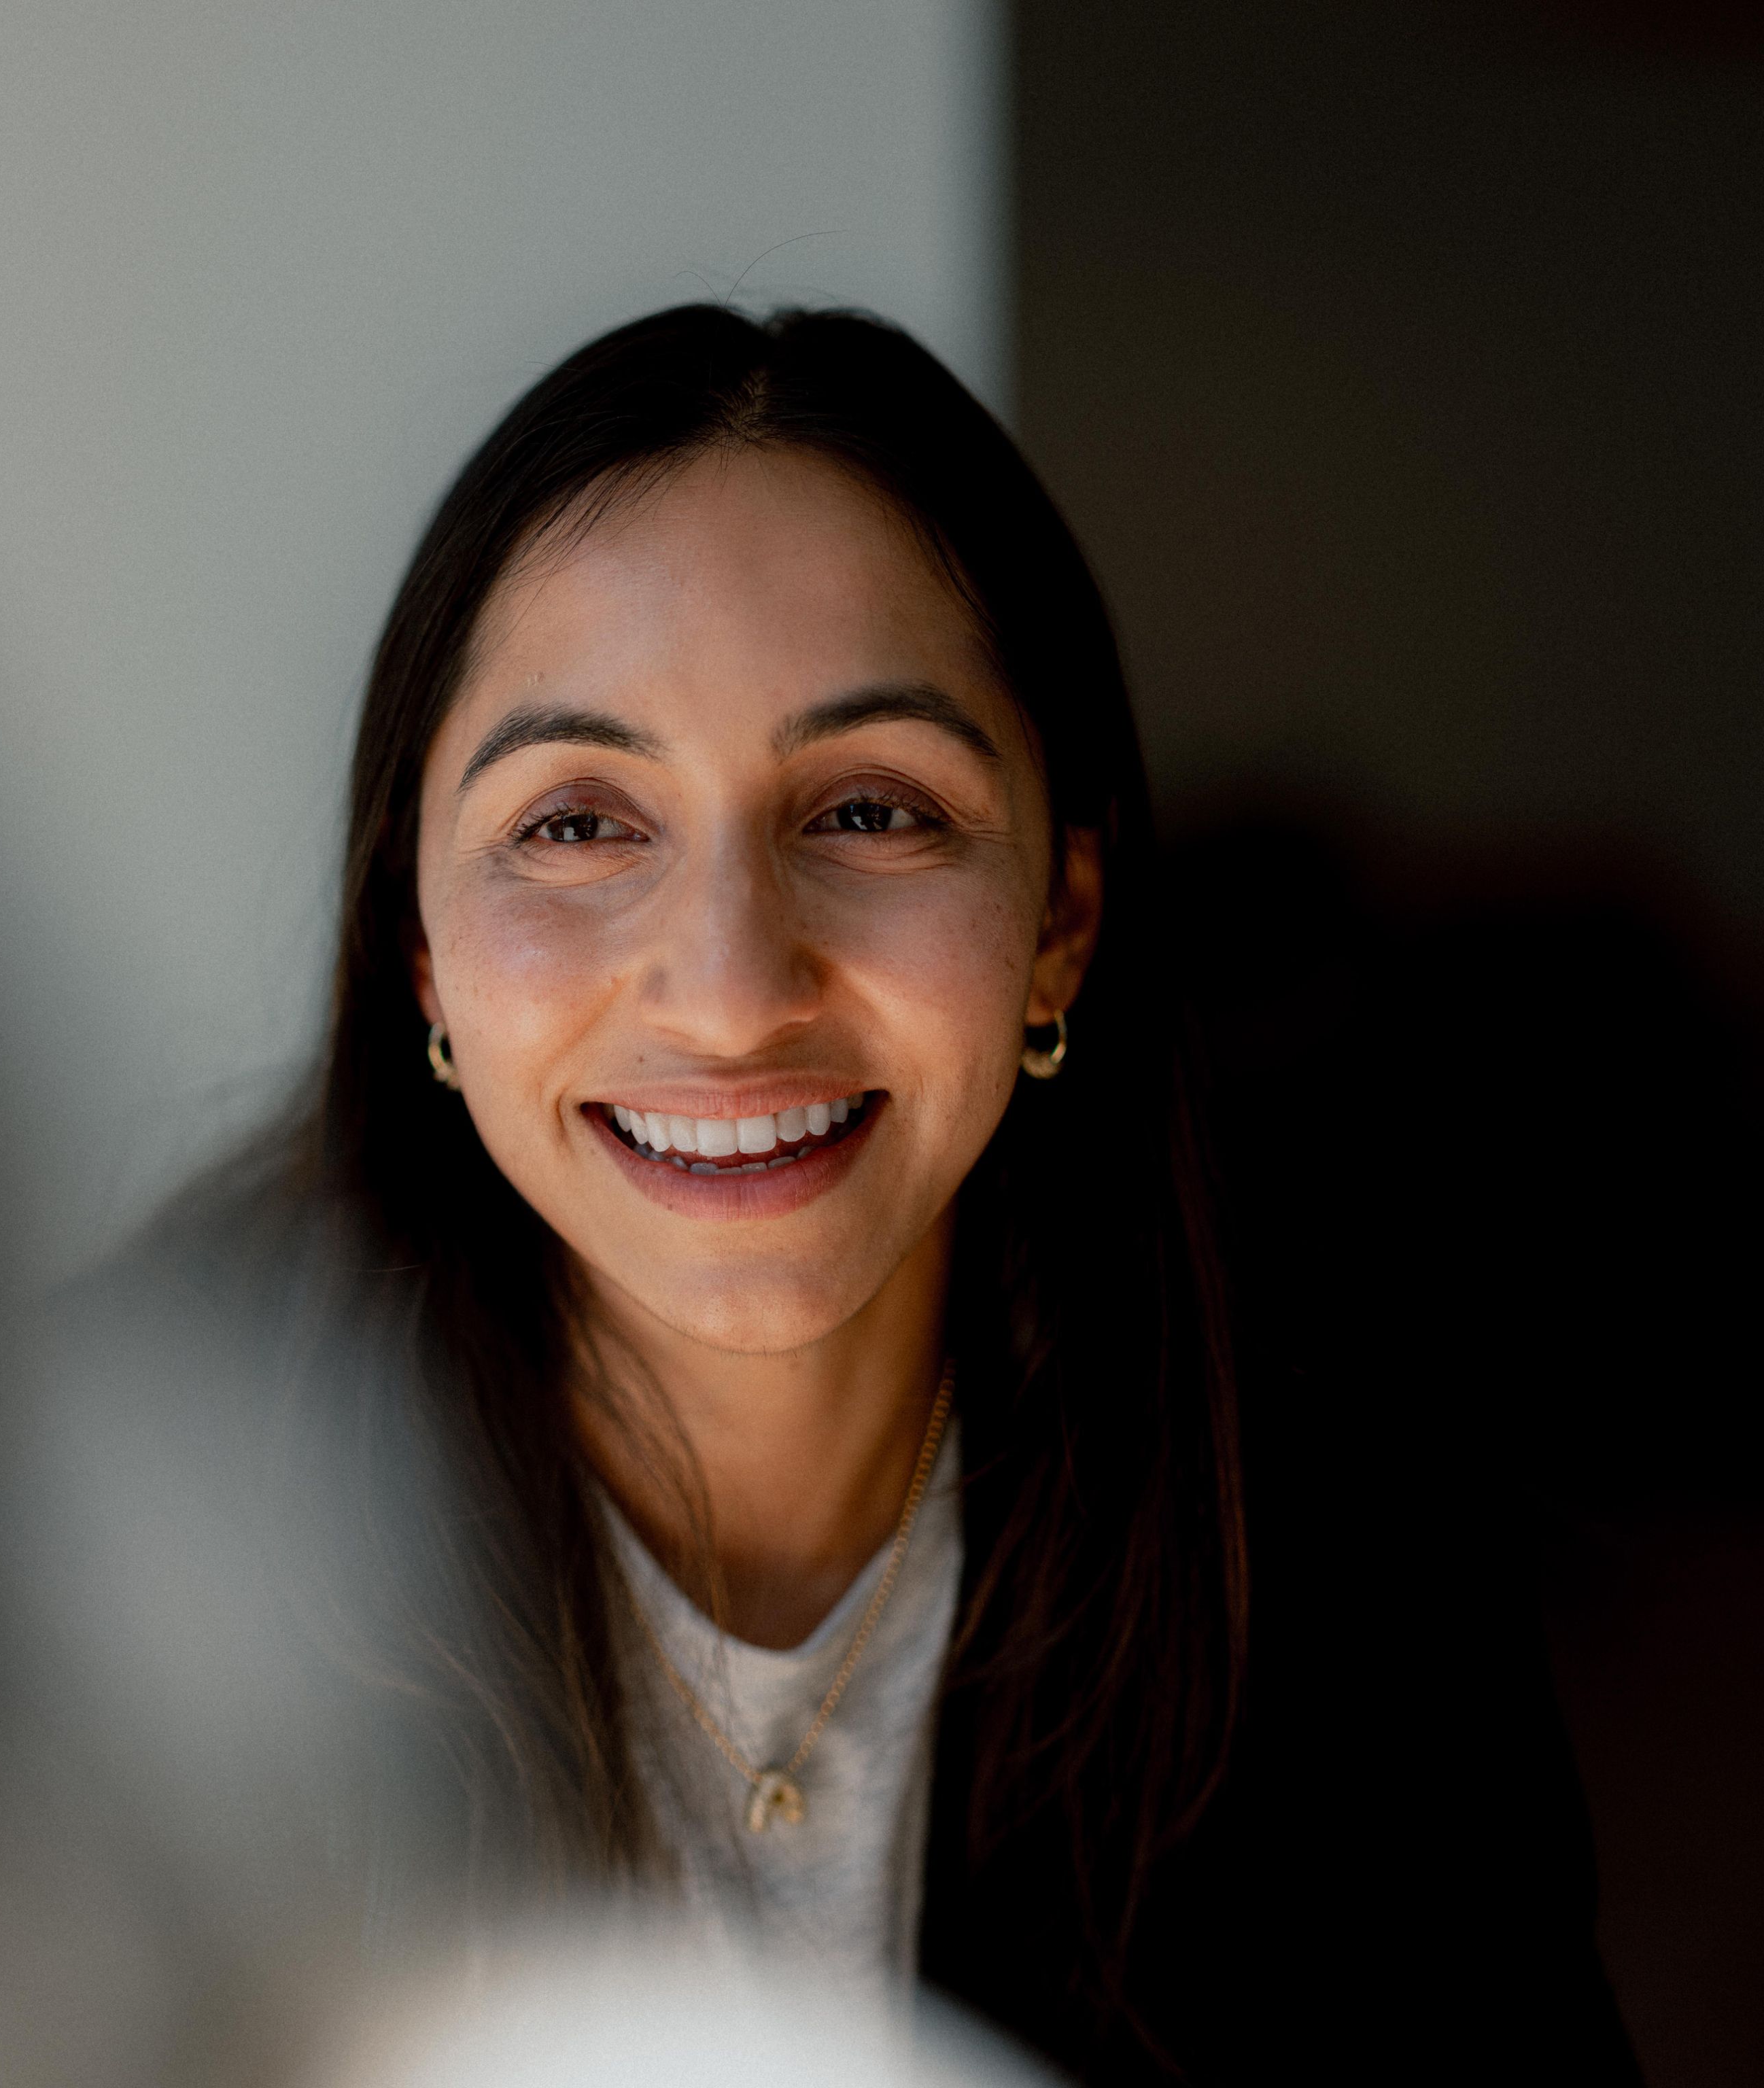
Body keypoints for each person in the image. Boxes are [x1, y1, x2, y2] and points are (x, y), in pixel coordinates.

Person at [162, 303, 1639, 2082]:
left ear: (1061, 925)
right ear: (418, 945)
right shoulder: (128, 1572)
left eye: (871, 811)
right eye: (577, 821)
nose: (727, 987)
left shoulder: (1343, 1599)